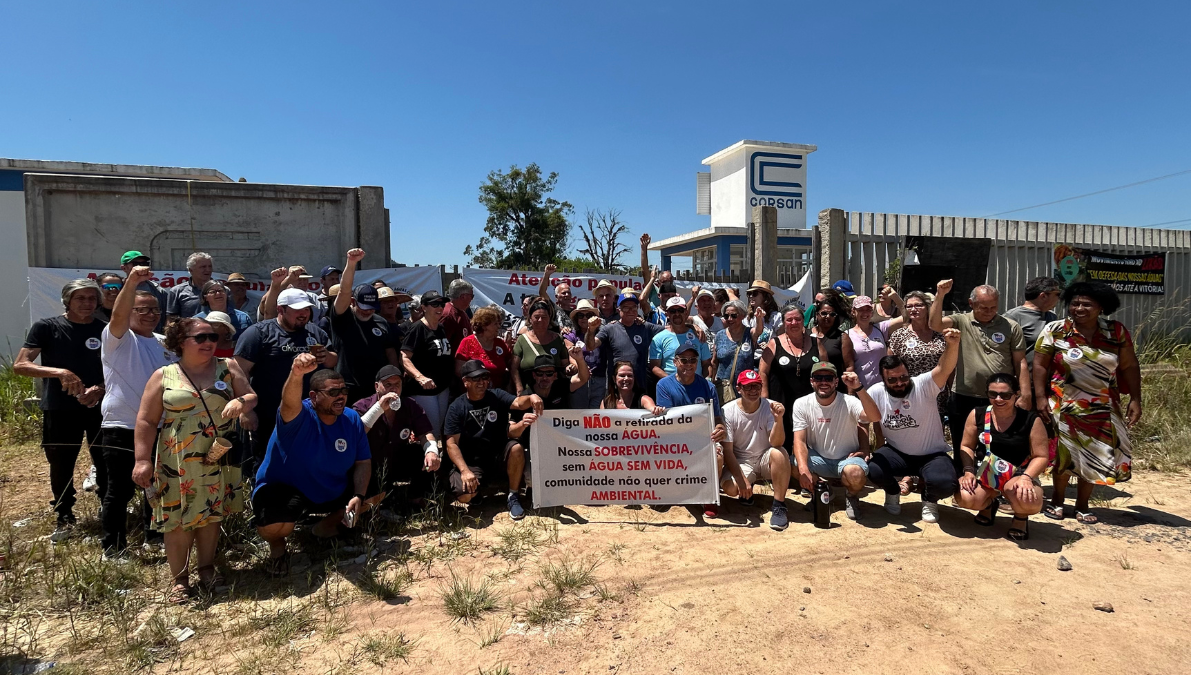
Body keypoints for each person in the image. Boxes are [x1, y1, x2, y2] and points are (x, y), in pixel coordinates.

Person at [133, 318, 256, 601]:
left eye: (212, 336)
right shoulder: (164, 375)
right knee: (176, 517)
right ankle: (179, 579)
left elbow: (251, 395)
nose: (209, 342)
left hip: (217, 452)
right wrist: (142, 460)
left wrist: (242, 401)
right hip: (177, 455)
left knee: (211, 512)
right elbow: (146, 420)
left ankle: (207, 569)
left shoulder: (228, 367)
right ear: (180, 342)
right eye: (200, 338)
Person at [252, 356, 371, 578]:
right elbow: (288, 402)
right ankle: (278, 548)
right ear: (314, 397)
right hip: (289, 488)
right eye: (333, 392)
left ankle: (323, 528)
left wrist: (358, 494)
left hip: (330, 486)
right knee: (278, 524)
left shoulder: (352, 419)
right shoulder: (298, 415)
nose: (341, 396)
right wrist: (296, 373)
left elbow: (363, 462)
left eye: (344, 391)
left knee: (370, 494)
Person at [1034, 281, 1140, 524]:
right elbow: (1039, 365)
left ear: (1101, 307)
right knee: (1065, 455)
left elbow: (1129, 366)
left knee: (1095, 454)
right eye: (1075, 303)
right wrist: (1040, 397)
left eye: (1086, 304)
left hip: (1103, 406)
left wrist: (1136, 398)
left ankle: (1082, 504)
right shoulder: (1056, 330)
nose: (1079, 308)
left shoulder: (1116, 332)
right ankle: (1058, 500)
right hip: (1064, 403)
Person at [14, 279, 106, 542]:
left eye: (91, 298)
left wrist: (99, 388)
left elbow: (118, 368)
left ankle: (107, 508)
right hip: (60, 407)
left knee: (105, 460)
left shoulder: (105, 329)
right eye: (80, 298)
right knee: (61, 463)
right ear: (67, 300)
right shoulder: (47, 326)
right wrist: (58, 372)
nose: (87, 303)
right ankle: (64, 515)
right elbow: (21, 365)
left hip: (99, 406)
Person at [96, 266, 175, 556]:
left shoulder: (165, 344)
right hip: (123, 425)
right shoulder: (117, 338)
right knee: (119, 490)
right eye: (142, 310)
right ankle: (113, 549)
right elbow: (118, 314)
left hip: (162, 426)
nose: (150, 315)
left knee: (156, 486)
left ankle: (153, 537)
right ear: (129, 311)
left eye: (154, 310)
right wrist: (131, 281)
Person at [865, 328, 961, 523]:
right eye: (892, 380)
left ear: (908, 373)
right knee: (873, 469)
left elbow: (944, 368)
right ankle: (892, 492)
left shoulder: (923, 384)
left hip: (931, 454)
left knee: (945, 482)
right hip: (897, 452)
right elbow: (862, 419)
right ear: (883, 380)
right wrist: (864, 449)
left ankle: (930, 500)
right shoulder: (875, 391)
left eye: (903, 377)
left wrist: (952, 345)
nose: (899, 383)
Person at [234, 288, 337, 467]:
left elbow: (333, 360)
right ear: (281, 310)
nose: (304, 314)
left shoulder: (315, 332)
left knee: (308, 463)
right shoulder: (258, 333)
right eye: (298, 310)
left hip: (310, 415)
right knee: (268, 463)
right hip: (269, 415)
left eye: (306, 309)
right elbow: (238, 372)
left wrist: (325, 356)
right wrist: (246, 410)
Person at [932, 280, 1030, 455]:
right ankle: (963, 477)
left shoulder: (1010, 326)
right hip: (964, 394)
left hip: (1000, 397)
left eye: (993, 307)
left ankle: (994, 479)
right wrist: (940, 295)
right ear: (971, 304)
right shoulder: (960, 321)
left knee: (998, 444)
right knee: (962, 443)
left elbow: (1020, 362)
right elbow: (935, 324)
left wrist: (1025, 394)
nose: (989, 312)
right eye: (984, 308)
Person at [955, 372, 1050, 541]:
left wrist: (1027, 477)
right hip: (985, 472)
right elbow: (966, 445)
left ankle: (1021, 517)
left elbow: (1041, 456)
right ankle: (989, 505)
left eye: (1005, 395)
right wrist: (968, 471)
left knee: (1028, 498)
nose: (999, 399)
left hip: (1017, 473)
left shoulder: (1030, 419)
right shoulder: (977, 414)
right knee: (965, 497)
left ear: (1016, 395)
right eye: (993, 394)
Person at [444, 360, 544, 519]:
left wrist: (531, 396)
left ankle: (513, 496)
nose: (482, 382)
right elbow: (451, 444)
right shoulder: (456, 407)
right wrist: (464, 470)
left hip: (497, 454)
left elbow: (518, 403)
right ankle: (476, 493)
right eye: (476, 378)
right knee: (464, 496)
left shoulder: (496, 395)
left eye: (484, 377)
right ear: (465, 382)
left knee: (516, 448)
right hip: (472, 461)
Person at [792, 364, 881, 521]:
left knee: (855, 473)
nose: (823, 382)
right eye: (819, 378)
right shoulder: (801, 403)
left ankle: (851, 496)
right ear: (812, 381)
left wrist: (859, 388)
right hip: (819, 458)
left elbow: (875, 417)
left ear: (836, 382)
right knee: (793, 463)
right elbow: (799, 440)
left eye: (828, 378)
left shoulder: (850, 401)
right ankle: (821, 490)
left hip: (847, 458)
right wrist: (803, 469)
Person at [654, 341, 727, 519]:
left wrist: (720, 428)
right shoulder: (663, 385)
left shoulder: (708, 387)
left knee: (717, 454)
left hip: (702, 439)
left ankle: (709, 496)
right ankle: (670, 488)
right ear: (675, 362)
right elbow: (668, 422)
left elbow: (716, 418)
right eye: (684, 360)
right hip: (673, 439)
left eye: (692, 360)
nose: (688, 364)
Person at [351, 365, 439, 508]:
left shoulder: (409, 405)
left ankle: (415, 498)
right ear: (376, 386)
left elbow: (425, 433)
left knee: (421, 453)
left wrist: (432, 451)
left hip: (396, 459)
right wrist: (379, 408)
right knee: (374, 496)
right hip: (370, 464)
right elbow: (355, 435)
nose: (393, 389)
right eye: (388, 385)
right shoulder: (362, 406)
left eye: (397, 384)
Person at [719, 370, 792, 531]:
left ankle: (779, 505)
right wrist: (741, 479)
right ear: (739, 389)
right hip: (742, 460)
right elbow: (728, 451)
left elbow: (777, 442)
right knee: (731, 488)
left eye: (757, 386)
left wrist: (778, 419)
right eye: (748, 387)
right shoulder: (728, 410)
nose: (753, 391)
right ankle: (747, 489)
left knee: (779, 453)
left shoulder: (770, 406)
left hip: (765, 457)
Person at [328, 249, 398, 403]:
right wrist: (351, 263)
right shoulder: (342, 318)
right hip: (348, 388)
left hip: (376, 389)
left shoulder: (381, 322)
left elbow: (390, 352)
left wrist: (396, 376)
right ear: (353, 302)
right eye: (364, 306)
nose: (368, 311)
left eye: (372, 307)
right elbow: (344, 291)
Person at [758, 303, 819, 453]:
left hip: (809, 401)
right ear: (784, 322)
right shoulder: (774, 343)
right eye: (789, 320)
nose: (794, 323)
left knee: (809, 438)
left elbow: (826, 369)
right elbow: (763, 372)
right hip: (781, 401)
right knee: (782, 441)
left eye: (797, 319)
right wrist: (764, 398)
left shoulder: (816, 342)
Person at [886, 289, 951, 417]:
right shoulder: (899, 335)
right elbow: (890, 366)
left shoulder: (941, 334)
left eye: (918, 305)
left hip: (938, 392)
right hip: (909, 392)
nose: (913, 309)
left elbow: (951, 364)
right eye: (909, 306)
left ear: (928, 307)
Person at [401, 290, 456, 438]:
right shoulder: (417, 328)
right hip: (423, 391)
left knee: (438, 429)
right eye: (434, 304)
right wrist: (420, 377)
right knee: (430, 431)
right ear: (424, 307)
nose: (439, 307)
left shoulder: (441, 328)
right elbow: (404, 357)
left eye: (441, 304)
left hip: (441, 388)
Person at [587, 289, 664, 393]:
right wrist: (591, 330)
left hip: (640, 388)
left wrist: (690, 325)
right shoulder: (609, 328)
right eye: (626, 308)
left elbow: (670, 329)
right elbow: (590, 346)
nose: (630, 311)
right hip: (616, 388)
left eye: (634, 307)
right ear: (619, 310)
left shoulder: (645, 327)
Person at [511, 299, 570, 392]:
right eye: (536, 317)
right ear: (530, 318)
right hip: (529, 394)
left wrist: (571, 368)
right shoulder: (522, 340)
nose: (540, 320)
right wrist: (519, 390)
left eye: (544, 317)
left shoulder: (558, 339)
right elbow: (514, 369)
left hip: (556, 393)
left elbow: (565, 364)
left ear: (549, 318)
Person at [650, 296, 713, 380]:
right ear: (667, 314)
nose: (677, 314)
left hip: (697, 386)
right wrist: (673, 382)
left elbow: (706, 363)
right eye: (673, 311)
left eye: (680, 310)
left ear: (686, 312)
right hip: (671, 388)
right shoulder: (658, 338)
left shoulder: (698, 335)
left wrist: (708, 380)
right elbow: (654, 366)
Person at [713, 300, 763, 405]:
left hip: (746, 388)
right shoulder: (719, 335)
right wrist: (711, 381)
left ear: (742, 316)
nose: (730, 319)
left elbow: (758, 331)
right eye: (726, 316)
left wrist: (759, 318)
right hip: (724, 389)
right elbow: (714, 362)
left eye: (734, 316)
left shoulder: (749, 333)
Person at [1005, 276, 1061, 367]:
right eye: (1057, 294)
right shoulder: (1013, 317)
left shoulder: (1052, 317)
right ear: (1043, 296)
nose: (1059, 299)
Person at [455, 305, 512, 388]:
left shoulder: (500, 343)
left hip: (499, 393)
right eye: (495, 324)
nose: (498, 327)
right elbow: (459, 371)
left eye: (499, 323)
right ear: (484, 325)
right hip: (475, 393)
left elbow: (511, 366)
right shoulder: (467, 342)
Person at [561, 299, 605, 408]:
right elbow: (571, 356)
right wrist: (576, 368)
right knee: (579, 416)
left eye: (589, 315)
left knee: (598, 417)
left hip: (600, 380)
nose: (585, 318)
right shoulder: (570, 335)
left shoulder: (603, 333)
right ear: (576, 318)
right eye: (581, 315)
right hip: (579, 380)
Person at [842, 295, 891, 390]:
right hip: (860, 390)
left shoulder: (880, 329)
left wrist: (894, 296)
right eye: (860, 310)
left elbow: (906, 317)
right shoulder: (847, 335)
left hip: (883, 389)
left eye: (868, 309)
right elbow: (848, 367)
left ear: (872, 312)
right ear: (853, 312)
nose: (865, 313)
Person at [120, 251, 168, 332]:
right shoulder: (118, 289)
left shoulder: (158, 290)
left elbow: (165, 317)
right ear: (124, 268)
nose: (141, 267)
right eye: (136, 264)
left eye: (145, 264)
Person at [166, 252, 214, 321]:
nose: (208, 270)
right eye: (203, 267)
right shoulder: (177, 291)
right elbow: (171, 320)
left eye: (210, 266)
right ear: (191, 270)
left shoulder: (222, 290)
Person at [745, 280, 783, 360]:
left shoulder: (776, 317)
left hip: (770, 359)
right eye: (749, 294)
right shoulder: (747, 317)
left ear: (766, 297)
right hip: (750, 359)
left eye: (755, 293)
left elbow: (781, 340)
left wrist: (770, 346)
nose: (751, 296)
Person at [442, 279, 476, 354]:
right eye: (472, 296)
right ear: (463, 296)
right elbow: (442, 346)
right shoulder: (448, 315)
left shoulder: (462, 312)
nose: (472, 299)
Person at [537, 263, 575, 330]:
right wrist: (547, 274)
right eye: (564, 293)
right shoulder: (553, 309)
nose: (567, 295)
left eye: (569, 293)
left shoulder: (576, 313)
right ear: (556, 297)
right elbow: (542, 292)